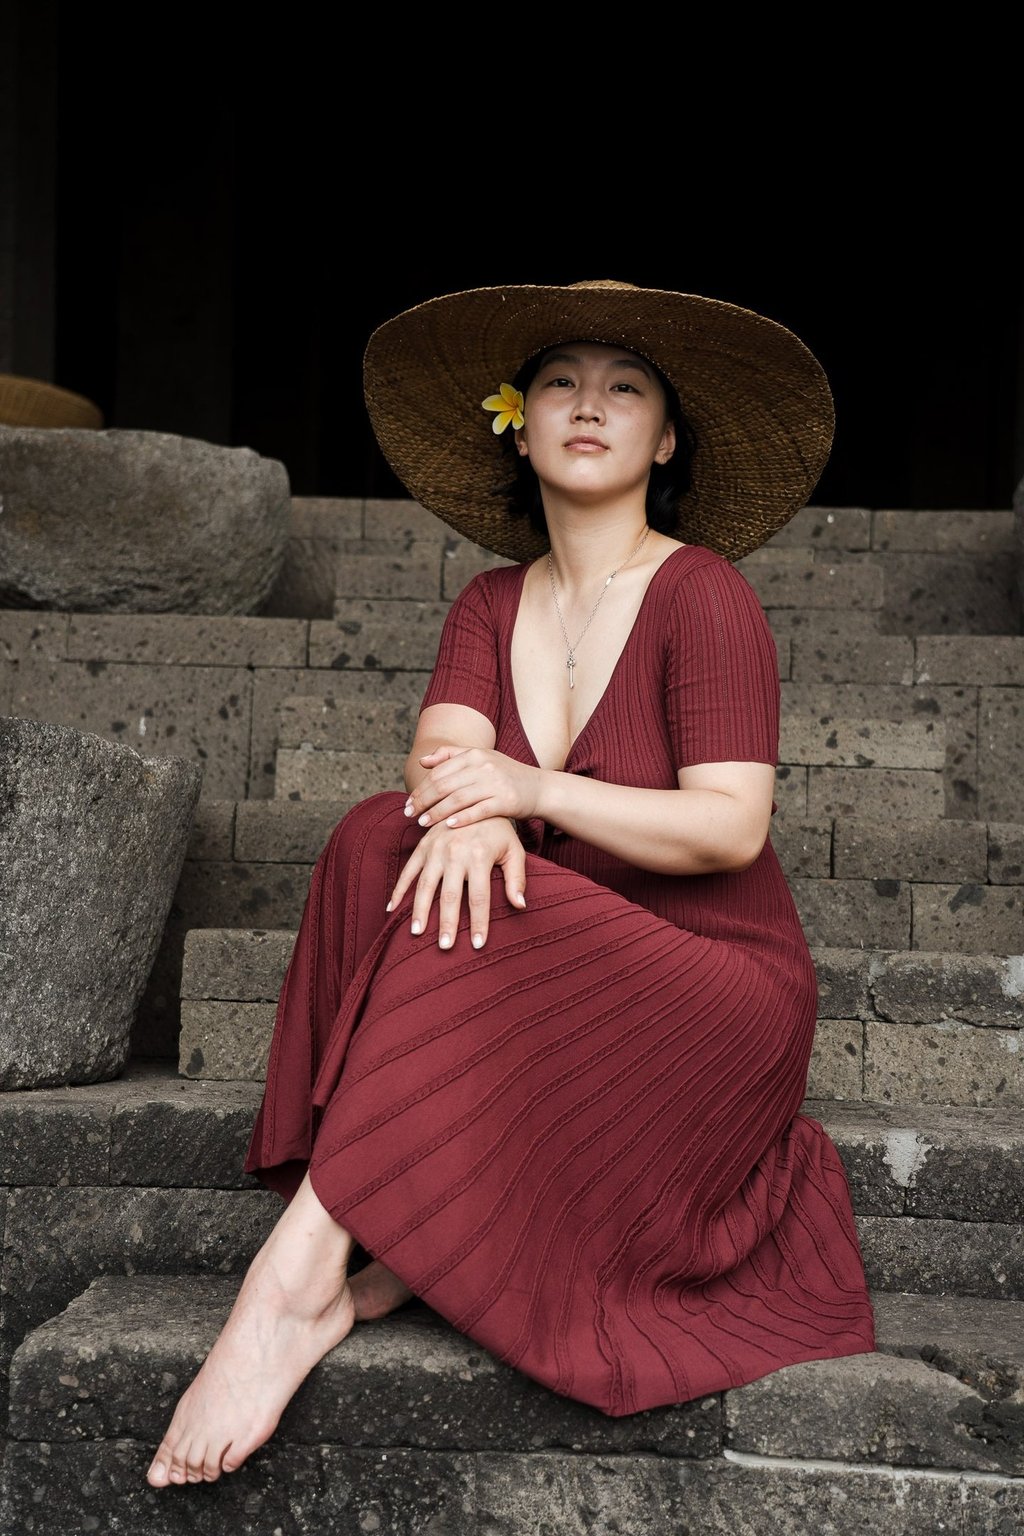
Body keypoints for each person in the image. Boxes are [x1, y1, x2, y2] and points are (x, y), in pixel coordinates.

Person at [146, 278, 876, 1488]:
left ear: (666, 436)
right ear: (517, 422)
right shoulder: (489, 602)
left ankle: (293, 1281)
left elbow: (729, 828)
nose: (589, 405)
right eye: (558, 384)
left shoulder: (704, 593)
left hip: (709, 991)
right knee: (388, 833)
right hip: (548, 962)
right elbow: (440, 763)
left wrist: (525, 796)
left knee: (476, 874)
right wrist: (469, 806)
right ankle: (390, 1225)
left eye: (625, 388)